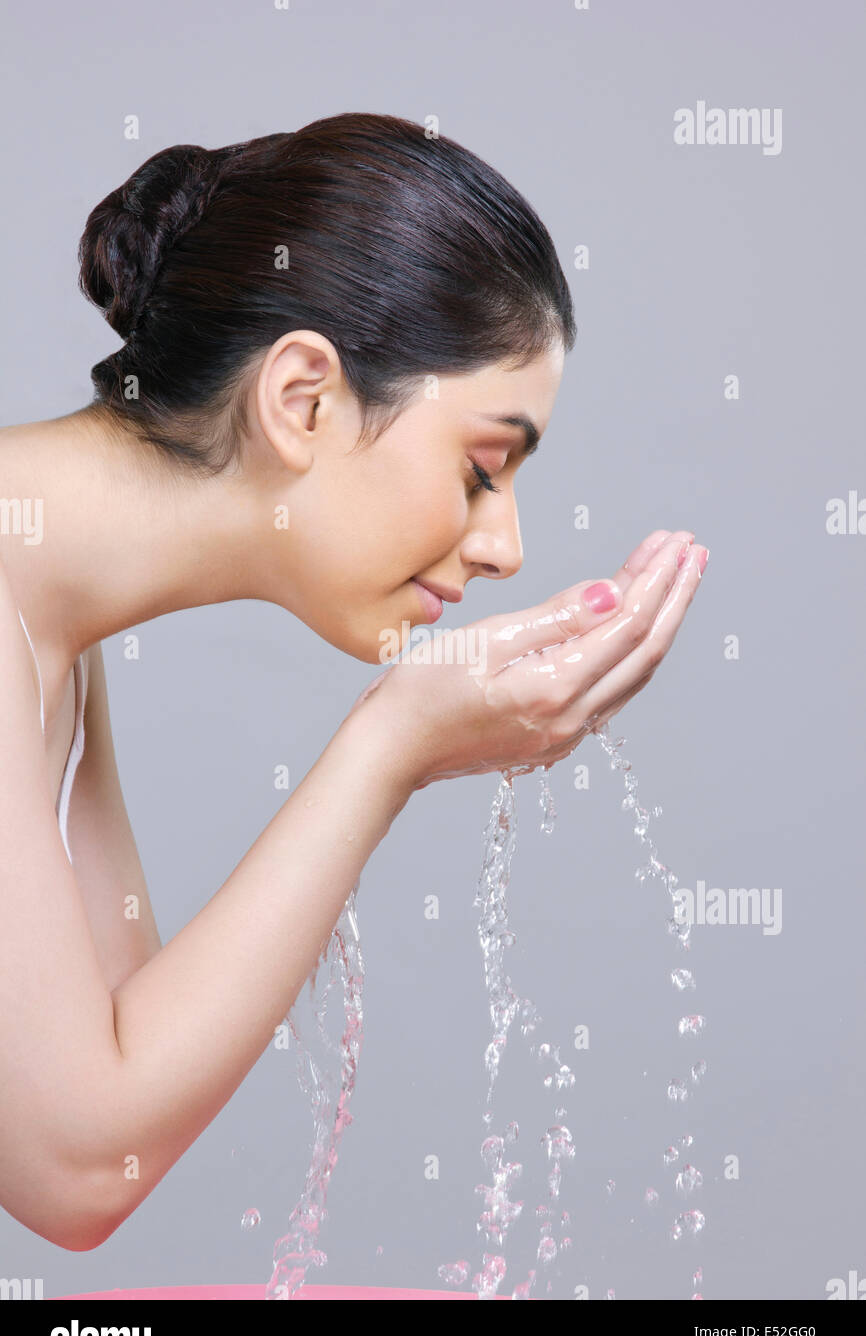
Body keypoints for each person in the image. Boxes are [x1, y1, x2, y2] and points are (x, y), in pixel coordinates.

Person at [0, 112, 708, 1252]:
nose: (504, 547)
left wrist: (402, 736)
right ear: (303, 400)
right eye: (482, 468)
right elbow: (76, 1164)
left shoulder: (50, 621)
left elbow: (117, 1074)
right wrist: (390, 746)